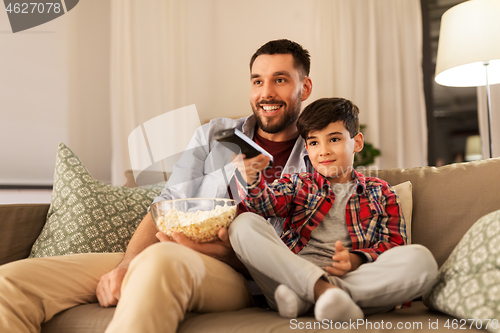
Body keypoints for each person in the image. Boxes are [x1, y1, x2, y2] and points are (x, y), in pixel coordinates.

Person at [0, 39, 314, 333]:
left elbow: (300, 258)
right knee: (10, 283)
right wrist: (125, 265)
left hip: (239, 278)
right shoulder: (214, 135)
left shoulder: (319, 156)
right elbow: (168, 202)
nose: (266, 92)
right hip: (170, 246)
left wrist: (223, 254)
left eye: (280, 80)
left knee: (160, 262)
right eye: (258, 80)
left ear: (305, 87)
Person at [229, 97, 439, 322]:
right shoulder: (298, 183)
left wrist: (357, 259)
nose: (323, 151)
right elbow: (264, 204)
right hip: (290, 276)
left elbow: (394, 244)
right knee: (243, 224)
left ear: (357, 142)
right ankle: (324, 292)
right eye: (314, 143)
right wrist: (252, 179)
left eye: (334, 139)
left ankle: (312, 299)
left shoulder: (381, 191)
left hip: (353, 278)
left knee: (422, 260)